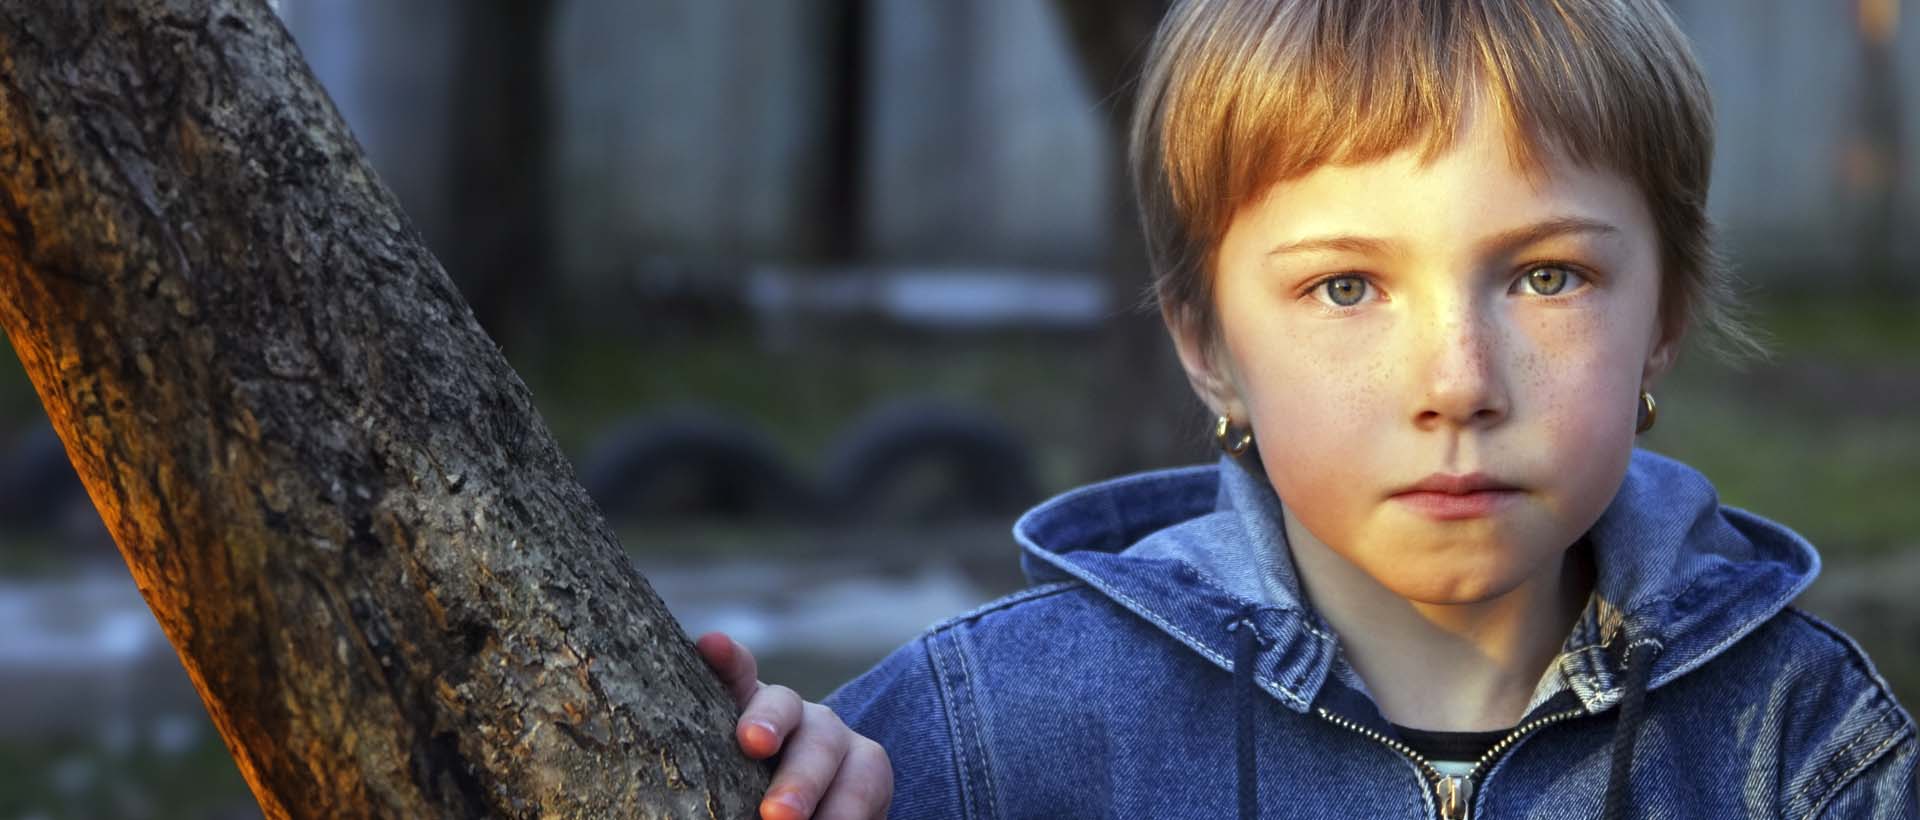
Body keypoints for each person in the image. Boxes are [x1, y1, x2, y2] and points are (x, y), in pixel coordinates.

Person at [697, 0, 1919, 817]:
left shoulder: (1802, 747)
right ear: (1209, 348)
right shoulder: (996, 734)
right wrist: (806, 772)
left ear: (1666, 316)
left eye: (1549, 276)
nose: (1457, 383)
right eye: (1346, 286)